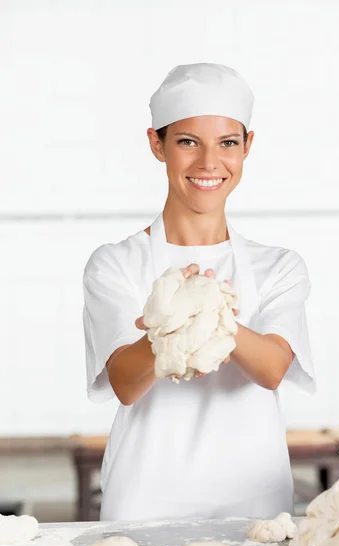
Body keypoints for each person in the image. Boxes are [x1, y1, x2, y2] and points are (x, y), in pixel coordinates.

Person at [82, 63, 316, 521]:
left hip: (256, 498)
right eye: (188, 142)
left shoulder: (280, 266)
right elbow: (125, 384)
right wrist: (173, 323)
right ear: (157, 144)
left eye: (228, 143)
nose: (210, 164)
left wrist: (206, 309)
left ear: (247, 147)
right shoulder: (114, 263)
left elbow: (270, 369)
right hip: (143, 495)